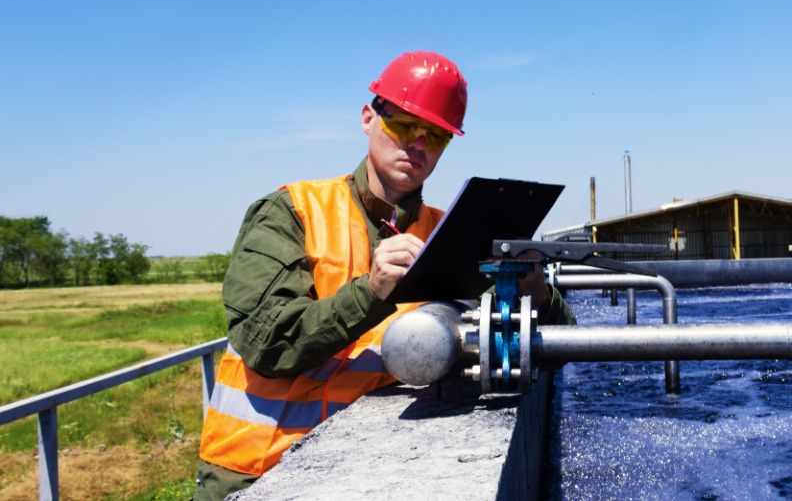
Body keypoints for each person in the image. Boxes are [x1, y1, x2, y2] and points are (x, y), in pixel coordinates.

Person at [193, 51, 574, 500]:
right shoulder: (291, 211)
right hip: (260, 470)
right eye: (403, 126)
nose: (417, 144)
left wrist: (538, 295)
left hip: (374, 468)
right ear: (368, 118)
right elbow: (264, 342)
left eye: (436, 135)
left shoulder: (448, 233)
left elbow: (558, 348)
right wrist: (371, 291)